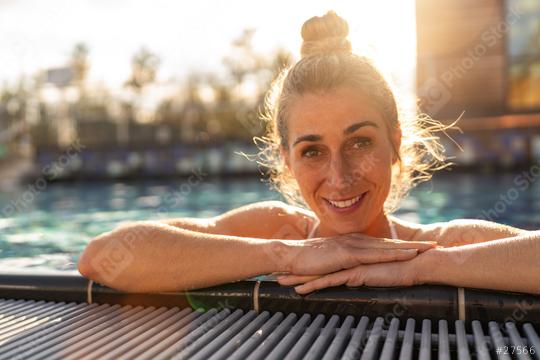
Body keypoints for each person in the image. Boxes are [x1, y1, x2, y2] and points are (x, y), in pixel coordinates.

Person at [78, 11, 540, 295]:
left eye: (360, 142)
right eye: (313, 151)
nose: (339, 177)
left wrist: (425, 267)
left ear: (395, 142)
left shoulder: (439, 244)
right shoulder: (273, 232)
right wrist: (288, 256)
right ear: (286, 159)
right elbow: (102, 257)